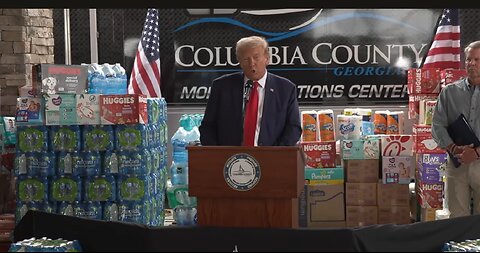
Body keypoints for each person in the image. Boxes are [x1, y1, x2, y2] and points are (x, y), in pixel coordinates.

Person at [199, 36, 302, 146]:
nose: (252, 63)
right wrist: (217, 155)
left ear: (267, 58)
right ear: (239, 62)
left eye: (256, 57)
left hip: (271, 158)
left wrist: (276, 154)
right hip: (229, 159)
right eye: (246, 59)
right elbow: (208, 127)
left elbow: (293, 128)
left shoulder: (285, 89)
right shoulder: (222, 86)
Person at [432, 40, 480, 218]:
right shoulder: (449, 92)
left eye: (477, 59)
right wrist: (452, 147)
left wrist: (476, 153)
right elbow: (437, 126)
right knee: (456, 219)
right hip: (457, 165)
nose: (472, 64)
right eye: (468, 60)